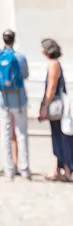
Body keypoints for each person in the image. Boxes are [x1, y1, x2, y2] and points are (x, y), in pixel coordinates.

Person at [0, 29, 31, 179]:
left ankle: (9, 170)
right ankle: (25, 169)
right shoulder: (20, 57)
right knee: (22, 135)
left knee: (5, 135)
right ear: (14, 40)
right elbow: (26, 75)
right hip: (19, 99)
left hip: (2, 99)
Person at [38, 38, 73, 181]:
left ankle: (67, 170)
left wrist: (44, 106)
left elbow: (51, 87)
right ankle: (58, 169)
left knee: (60, 137)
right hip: (57, 104)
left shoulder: (53, 65)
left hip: (56, 106)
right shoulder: (54, 64)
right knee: (58, 136)